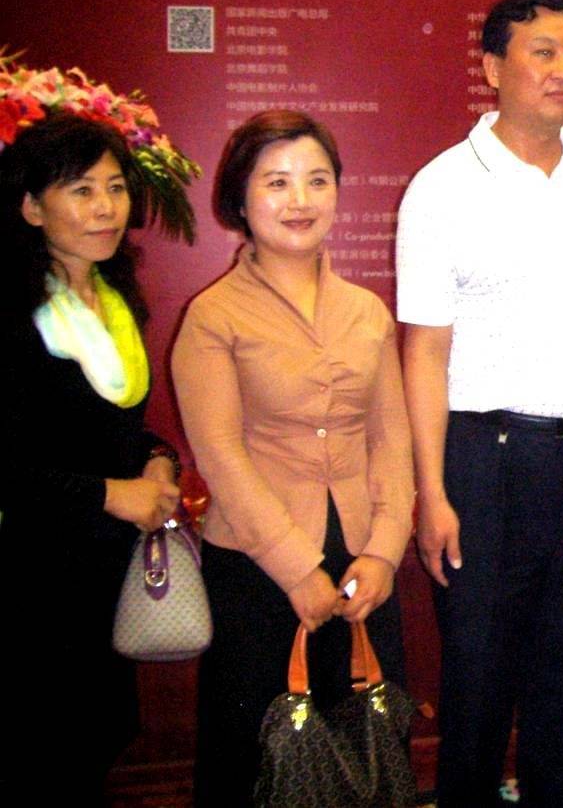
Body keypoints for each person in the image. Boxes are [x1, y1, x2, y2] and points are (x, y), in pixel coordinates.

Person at [396, 0, 563, 807]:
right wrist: (432, 493)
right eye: (544, 52)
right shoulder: (441, 187)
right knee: (480, 680)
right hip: (487, 462)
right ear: (494, 67)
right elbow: (424, 352)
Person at [172, 110, 414, 807]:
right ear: (240, 200)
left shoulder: (366, 312)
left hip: (363, 564)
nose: (299, 200)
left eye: (317, 180)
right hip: (259, 570)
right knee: (259, 761)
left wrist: (385, 552)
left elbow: (391, 441)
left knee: (364, 747)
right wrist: (296, 568)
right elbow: (220, 456)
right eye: (276, 182)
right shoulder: (214, 315)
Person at [0, 113, 182, 802]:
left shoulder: (113, 299)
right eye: (81, 190)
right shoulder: (12, 314)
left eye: (115, 187)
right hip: (31, 580)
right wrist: (108, 493)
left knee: (95, 740)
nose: (106, 207)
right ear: (30, 207)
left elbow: (113, 429)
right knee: (41, 753)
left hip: (105, 572)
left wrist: (158, 460)